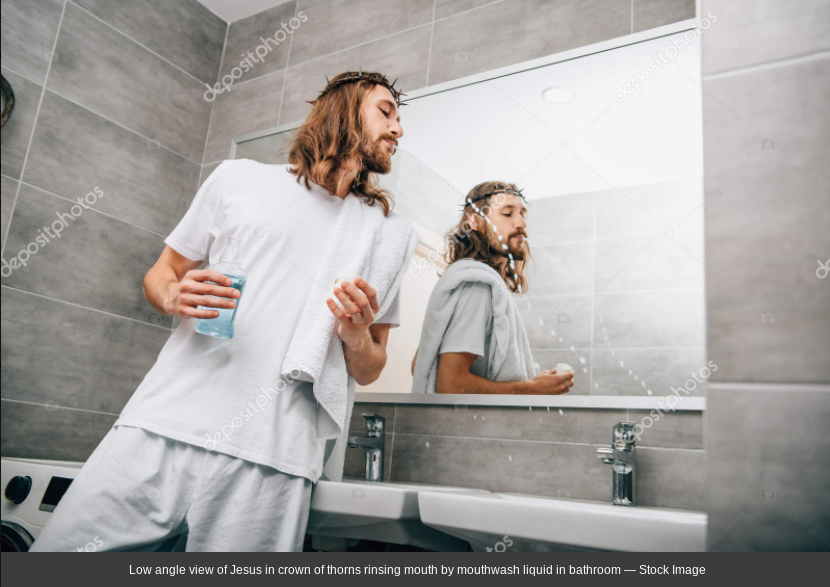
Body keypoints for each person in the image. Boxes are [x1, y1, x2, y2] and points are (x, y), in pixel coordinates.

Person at [31, 71, 414, 552]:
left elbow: (373, 363)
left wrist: (355, 337)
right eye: (386, 112)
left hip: (275, 456)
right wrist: (173, 296)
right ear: (342, 106)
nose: (398, 130)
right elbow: (161, 273)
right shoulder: (239, 179)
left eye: (400, 119)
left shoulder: (384, 235)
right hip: (164, 423)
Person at [411, 182, 574, 395]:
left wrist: (532, 383)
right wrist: (530, 388)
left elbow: (421, 364)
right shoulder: (476, 285)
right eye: (507, 214)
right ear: (475, 222)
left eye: (523, 214)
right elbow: (448, 385)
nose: (521, 223)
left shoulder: (479, 283)